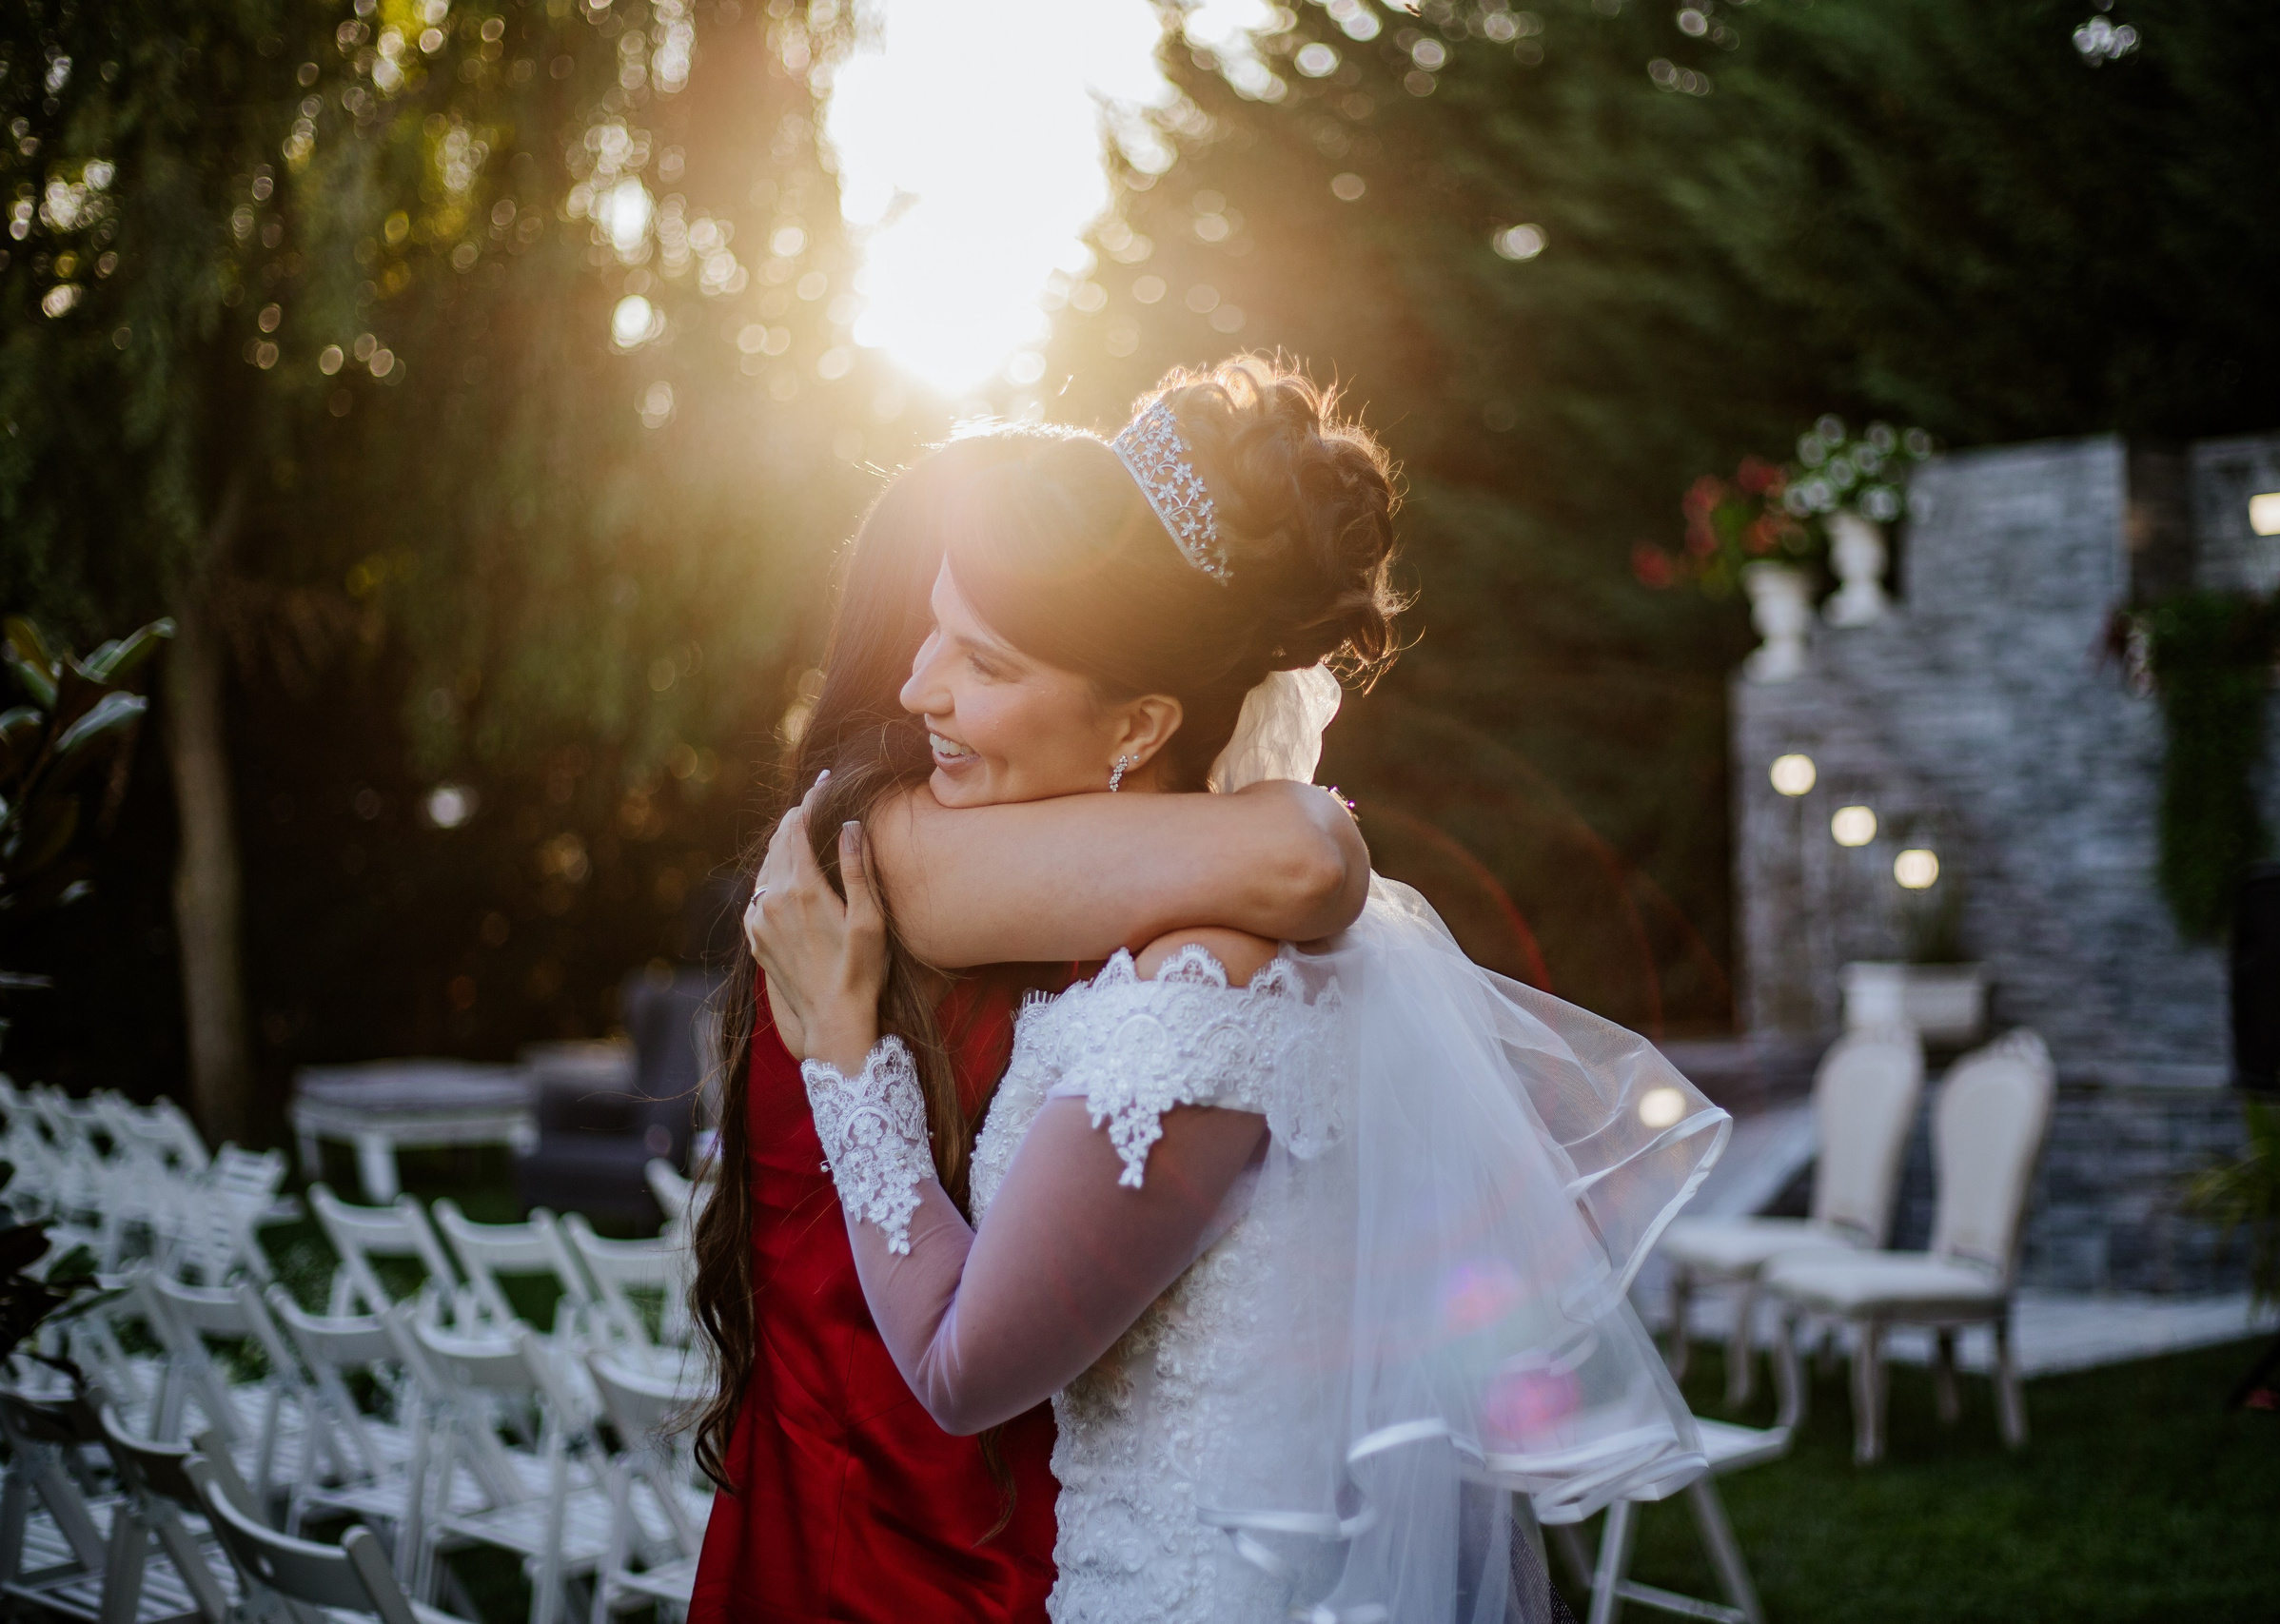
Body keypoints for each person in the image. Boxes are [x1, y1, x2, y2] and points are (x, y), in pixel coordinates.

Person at [749, 358, 1729, 1623]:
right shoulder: (1199, 943)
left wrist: (844, 1051)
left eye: (982, 661)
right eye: (933, 624)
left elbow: (955, 1364)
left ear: (1140, 724)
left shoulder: (1201, 1007)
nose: (920, 683)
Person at [684, 429, 1377, 1624]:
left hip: (966, 1518)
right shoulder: (892, 851)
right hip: (901, 1530)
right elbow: (1304, 856)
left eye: (993, 647)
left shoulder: (1103, 912)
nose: (925, 683)